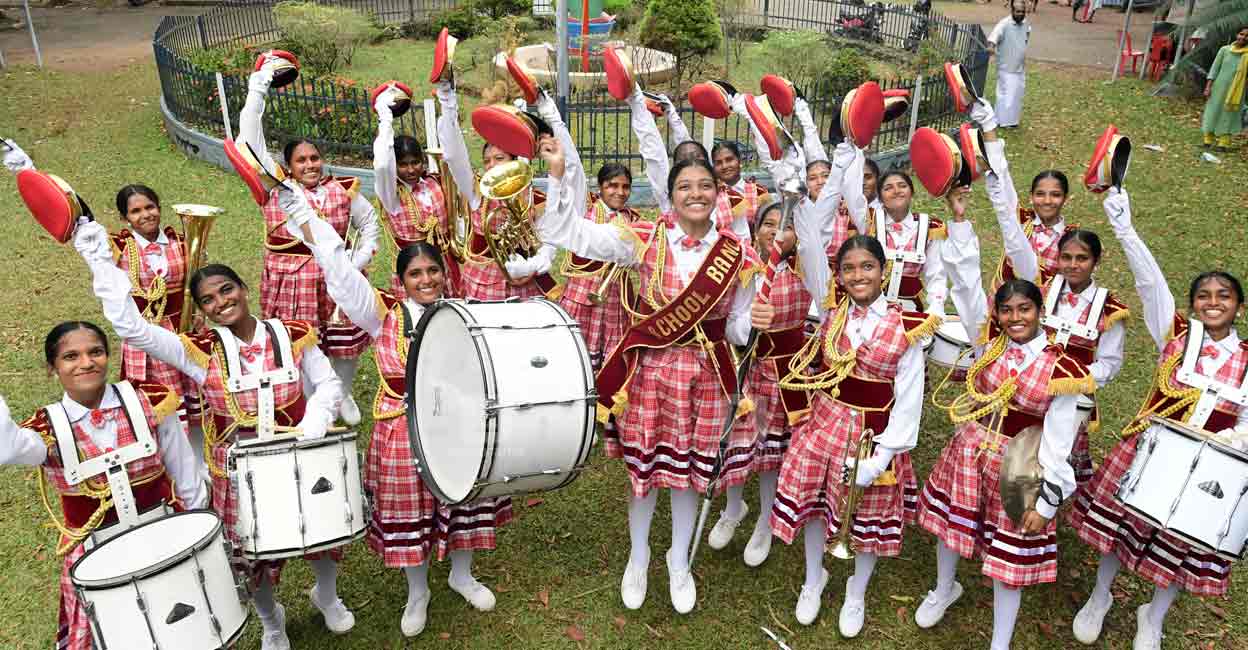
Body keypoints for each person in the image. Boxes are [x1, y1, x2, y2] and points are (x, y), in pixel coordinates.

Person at [73, 219, 350, 650]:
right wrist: (99, 262)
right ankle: (272, 622)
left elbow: (328, 383)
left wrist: (316, 415)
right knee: (248, 558)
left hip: (298, 452)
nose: (221, 302)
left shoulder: (290, 334)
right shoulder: (198, 351)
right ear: (201, 310)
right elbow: (132, 329)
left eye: (226, 289)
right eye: (208, 300)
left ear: (243, 287)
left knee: (322, 531)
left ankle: (327, 597)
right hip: (237, 474)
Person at [535, 134, 771, 614]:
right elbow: (564, 230)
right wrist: (557, 173)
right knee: (645, 476)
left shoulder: (739, 256)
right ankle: (638, 556)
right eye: (686, 186)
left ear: (719, 194)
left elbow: (738, 327)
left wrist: (755, 321)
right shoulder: (642, 238)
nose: (697, 194)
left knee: (685, 477)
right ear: (671, 193)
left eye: (707, 185)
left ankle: (677, 560)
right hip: (650, 375)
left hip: (704, 379)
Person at [278, 191, 511, 637]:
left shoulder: (463, 312)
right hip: (402, 426)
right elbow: (341, 272)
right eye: (415, 273)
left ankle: (462, 575)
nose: (426, 280)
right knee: (412, 509)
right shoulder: (382, 314)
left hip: (458, 424)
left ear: (445, 274)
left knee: (466, 498)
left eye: (433, 271)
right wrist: (305, 217)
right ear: (401, 279)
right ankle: (417, 590)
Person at [1066, 188, 1248, 650]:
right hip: (1149, 450)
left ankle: (1154, 615)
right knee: (1119, 526)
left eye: (1223, 296)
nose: (1212, 302)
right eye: (1203, 296)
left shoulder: (1247, 359)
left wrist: (1235, 437)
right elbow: (1150, 283)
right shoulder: (1178, 334)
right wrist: (1124, 226)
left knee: (1183, 542)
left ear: (1238, 306)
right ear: (1191, 305)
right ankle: (1100, 596)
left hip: (1210, 467)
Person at [914, 187, 1094, 650]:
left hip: (1022, 462)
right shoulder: (988, 343)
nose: (1014, 317)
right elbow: (968, 283)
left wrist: (1048, 503)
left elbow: (1057, 441)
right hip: (972, 448)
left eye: (1025, 309)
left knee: (1009, 551)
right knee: (953, 530)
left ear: (1040, 312)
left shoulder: (1062, 368)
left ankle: (1000, 640)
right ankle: (943, 587)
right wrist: (958, 222)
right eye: (1007, 310)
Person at [769, 133, 935, 632]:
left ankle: (856, 593)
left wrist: (881, 456)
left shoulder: (908, 328)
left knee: (865, 516)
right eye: (849, 269)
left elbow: (909, 400)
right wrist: (800, 189)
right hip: (826, 426)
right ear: (838, 276)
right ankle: (814, 576)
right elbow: (814, 242)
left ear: (883, 272)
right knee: (820, 508)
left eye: (867, 267)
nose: (857, 275)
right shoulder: (832, 312)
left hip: (873, 437)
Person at [0, 322, 206, 650]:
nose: (86, 362)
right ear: (52, 369)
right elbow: (6, 449)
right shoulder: (47, 428)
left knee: (181, 624)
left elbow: (186, 475)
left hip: (163, 533)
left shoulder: (148, 401)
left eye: (95, 352)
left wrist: (200, 536)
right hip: (94, 554)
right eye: (70, 356)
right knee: (117, 634)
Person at [971, 100, 1128, 486]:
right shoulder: (1019, 222)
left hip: (1050, 323)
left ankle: (1049, 477)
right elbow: (1001, 185)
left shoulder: (1069, 242)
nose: (1046, 201)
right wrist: (990, 133)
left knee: (1054, 416)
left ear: (1065, 199)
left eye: (1054, 195)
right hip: (1009, 315)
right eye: (1039, 194)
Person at [237, 55, 380, 428]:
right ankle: (311, 400)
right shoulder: (276, 191)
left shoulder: (343, 190)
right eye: (301, 160)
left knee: (345, 341)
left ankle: (342, 391)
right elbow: (249, 140)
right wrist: (260, 84)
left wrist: (358, 260)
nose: (310, 165)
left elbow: (370, 224)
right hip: (291, 280)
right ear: (287, 166)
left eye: (315, 158)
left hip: (337, 277)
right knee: (300, 345)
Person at [433, 77, 559, 301]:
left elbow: (549, 237)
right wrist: (447, 100)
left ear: (513, 160)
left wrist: (534, 265)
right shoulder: (476, 191)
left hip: (525, 283)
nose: (491, 165)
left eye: (498, 158)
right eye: (487, 160)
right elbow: (453, 155)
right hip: (484, 283)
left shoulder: (532, 195)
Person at [372, 84, 456, 297]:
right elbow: (382, 164)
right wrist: (385, 117)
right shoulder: (391, 194)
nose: (411, 169)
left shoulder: (434, 183)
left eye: (416, 162)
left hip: (444, 266)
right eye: (403, 164)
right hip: (413, 270)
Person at [558, 163, 642, 369]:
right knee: (574, 352)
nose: (620, 192)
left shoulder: (633, 219)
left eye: (626, 187)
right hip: (582, 294)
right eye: (612, 185)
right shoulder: (585, 210)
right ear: (600, 187)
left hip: (615, 296)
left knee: (611, 358)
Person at [842, 166, 949, 315]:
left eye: (902, 186)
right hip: (869, 308)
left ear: (912, 193)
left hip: (909, 309)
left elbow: (936, 273)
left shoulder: (929, 227)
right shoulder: (868, 222)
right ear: (880, 197)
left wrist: (936, 306)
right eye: (888, 188)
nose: (896, 191)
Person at [1201, 26, 1247, 152]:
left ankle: (1223, 143)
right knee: (1212, 111)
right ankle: (1207, 141)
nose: (1243, 37)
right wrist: (1208, 86)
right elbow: (1214, 69)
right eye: (1241, 34)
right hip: (1218, 88)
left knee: (1229, 115)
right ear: (1237, 34)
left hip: (1237, 91)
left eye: (1246, 36)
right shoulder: (1225, 50)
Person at [987, 2, 1032, 129]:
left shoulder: (1026, 24)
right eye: (1018, 11)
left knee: (1017, 93)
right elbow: (993, 37)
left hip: (1019, 66)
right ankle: (1004, 122)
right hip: (1006, 66)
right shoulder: (1004, 24)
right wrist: (991, 47)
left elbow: (1026, 36)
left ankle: (1011, 120)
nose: (1021, 14)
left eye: (1023, 11)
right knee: (1007, 94)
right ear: (1012, 11)